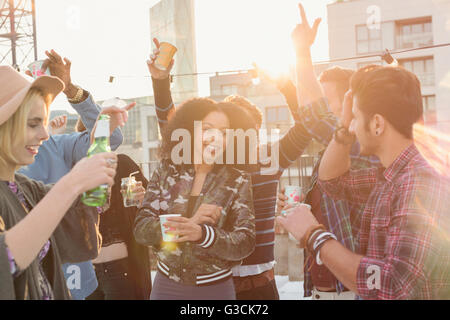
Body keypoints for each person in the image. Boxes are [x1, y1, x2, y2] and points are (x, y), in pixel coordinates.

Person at [146, 35, 349, 300]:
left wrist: (286, 85)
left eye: (252, 133)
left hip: (260, 286)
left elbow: (307, 124)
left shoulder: (267, 159)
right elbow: (170, 127)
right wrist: (160, 81)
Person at [278, 64, 450, 299]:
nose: (351, 125)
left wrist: (312, 235)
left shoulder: (418, 181)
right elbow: (332, 182)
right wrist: (343, 130)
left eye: (355, 117)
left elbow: (393, 287)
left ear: (377, 124)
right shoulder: (391, 175)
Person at [276, 4, 380, 300]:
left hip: (352, 291)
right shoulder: (331, 154)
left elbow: (312, 113)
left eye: (330, 101)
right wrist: (300, 214)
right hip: (322, 290)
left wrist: (302, 51)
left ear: (352, 102)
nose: (329, 112)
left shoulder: (361, 147)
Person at [0, 65, 118, 300]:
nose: (45, 134)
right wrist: (72, 182)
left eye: (43, 123)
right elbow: (6, 259)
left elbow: (79, 206)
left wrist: (102, 132)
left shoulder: (23, 188)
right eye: (33, 124)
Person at [134, 98, 256, 300]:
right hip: (166, 286)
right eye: (207, 128)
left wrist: (202, 234)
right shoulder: (167, 171)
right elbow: (141, 229)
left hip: (215, 290)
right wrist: (186, 226)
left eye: (224, 133)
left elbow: (245, 242)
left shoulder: (238, 180)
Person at [88, 154, 151, 300]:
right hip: (88, 273)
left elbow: (153, 205)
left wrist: (143, 199)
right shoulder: (80, 168)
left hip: (119, 270)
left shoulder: (123, 164)